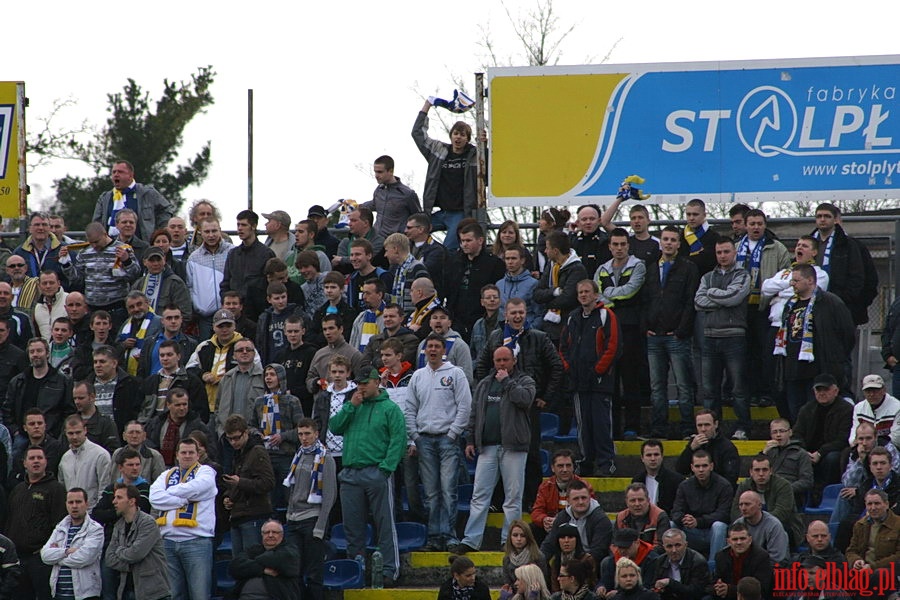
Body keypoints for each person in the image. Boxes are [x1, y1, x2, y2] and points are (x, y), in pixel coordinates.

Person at [475, 297, 563, 506]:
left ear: (526, 314)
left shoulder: (539, 337)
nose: (517, 316)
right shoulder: (496, 337)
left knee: (531, 454)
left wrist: (545, 397)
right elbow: (480, 366)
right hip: (499, 405)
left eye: (521, 313)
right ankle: (497, 500)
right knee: (497, 452)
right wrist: (487, 393)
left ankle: (532, 500)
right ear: (506, 315)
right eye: (513, 313)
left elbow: (557, 367)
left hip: (528, 405)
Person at [329, 367, 406, 587]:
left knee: (384, 524)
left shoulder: (390, 408)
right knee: (352, 528)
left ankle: (390, 571)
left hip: (376, 472)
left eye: (365, 383)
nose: (360, 387)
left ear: (376, 382)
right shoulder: (352, 405)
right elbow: (334, 427)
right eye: (358, 383)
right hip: (350, 472)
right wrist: (350, 407)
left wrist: (385, 469)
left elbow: (398, 440)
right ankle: (356, 570)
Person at [458, 346, 535, 553]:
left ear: (514, 361)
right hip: (487, 447)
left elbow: (526, 400)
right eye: (498, 360)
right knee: (479, 495)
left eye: (505, 360)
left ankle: (510, 540)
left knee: (513, 497)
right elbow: (474, 413)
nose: (501, 364)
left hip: (514, 447)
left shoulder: (524, 381)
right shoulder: (484, 384)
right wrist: (471, 440)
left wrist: (507, 382)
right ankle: (471, 540)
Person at [406, 333, 472, 551]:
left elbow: (465, 406)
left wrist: (453, 433)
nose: (432, 350)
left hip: (447, 440)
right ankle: (434, 536)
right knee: (431, 492)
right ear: (424, 350)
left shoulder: (456, 373)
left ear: (444, 350)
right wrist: (415, 435)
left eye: (436, 346)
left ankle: (450, 535)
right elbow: (410, 408)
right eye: (429, 346)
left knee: (448, 489)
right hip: (424, 440)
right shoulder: (417, 376)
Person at [773, 264, 855, 418]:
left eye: (796, 280)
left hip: (817, 371)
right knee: (795, 414)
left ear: (810, 280)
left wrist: (835, 358)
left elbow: (847, 334)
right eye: (792, 280)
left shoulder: (830, 302)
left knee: (816, 415)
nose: (792, 284)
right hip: (792, 370)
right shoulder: (791, 303)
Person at [560, 279, 621, 477]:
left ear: (596, 294)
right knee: (583, 426)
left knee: (602, 424)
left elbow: (612, 347)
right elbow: (563, 347)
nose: (584, 295)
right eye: (580, 292)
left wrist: (598, 370)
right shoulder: (572, 318)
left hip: (600, 382)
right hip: (578, 382)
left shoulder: (606, 315)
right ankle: (585, 462)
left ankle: (606, 464)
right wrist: (568, 368)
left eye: (587, 292)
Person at [643, 226, 699, 439]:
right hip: (653, 336)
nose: (668, 243)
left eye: (673, 240)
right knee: (657, 387)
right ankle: (659, 429)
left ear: (678, 243)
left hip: (677, 337)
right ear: (661, 242)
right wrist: (645, 327)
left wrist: (680, 331)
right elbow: (645, 300)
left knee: (683, 385)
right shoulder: (650, 268)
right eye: (665, 239)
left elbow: (689, 302)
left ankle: (687, 427)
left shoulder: (688, 268)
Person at [693, 238, 751, 440]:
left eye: (726, 251)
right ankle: (711, 431)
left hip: (734, 336)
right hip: (709, 337)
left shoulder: (743, 274)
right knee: (709, 390)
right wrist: (722, 298)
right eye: (719, 252)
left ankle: (743, 427)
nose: (723, 256)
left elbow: (735, 297)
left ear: (734, 252)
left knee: (738, 388)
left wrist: (712, 294)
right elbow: (698, 302)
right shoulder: (707, 276)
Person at [595, 227, 649, 440]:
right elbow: (597, 296)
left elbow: (631, 291)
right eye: (615, 244)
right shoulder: (602, 269)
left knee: (631, 380)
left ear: (628, 245)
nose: (619, 248)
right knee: (611, 383)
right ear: (609, 246)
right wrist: (611, 297)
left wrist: (609, 296)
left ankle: (632, 427)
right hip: (608, 330)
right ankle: (614, 428)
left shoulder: (639, 266)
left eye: (622, 244)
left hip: (631, 329)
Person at [734, 209, 791, 407]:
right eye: (752, 223)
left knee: (765, 353)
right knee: (744, 353)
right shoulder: (735, 247)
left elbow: (786, 275)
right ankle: (747, 392)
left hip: (765, 308)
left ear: (765, 225)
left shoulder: (777, 248)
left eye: (759, 223)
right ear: (745, 225)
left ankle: (766, 392)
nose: (756, 227)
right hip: (740, 310)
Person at [149, 437, 217, 600]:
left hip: (197, 542)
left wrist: (169, 492)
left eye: (191, 452)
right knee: (174, 595)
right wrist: (185, 499)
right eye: (183, 452)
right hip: (168, 542)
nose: (187, 456)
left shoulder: (206, 471)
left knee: (199, 594)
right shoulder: (166, 474)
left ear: (197, 455)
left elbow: (200, 486)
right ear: (177, 455)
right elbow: (154, 498)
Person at [411, 102, 483, 253]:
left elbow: (490, 163)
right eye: (456, 133)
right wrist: (427, 105)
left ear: (468, 139)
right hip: (439, 211)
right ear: (451, 136)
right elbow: (417, 133)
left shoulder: (475, 155)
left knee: (449, 247)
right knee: (412, 231)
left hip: (460, 212)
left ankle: (442, 268)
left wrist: (485, 144)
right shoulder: (438, 151)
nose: (458, 138)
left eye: (463, 135)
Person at [284, 418, 336, 600]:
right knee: (293, 570)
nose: (304, 438)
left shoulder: (325, 457)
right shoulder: (298, 455)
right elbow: (292, 487)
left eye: (307, 434)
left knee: (314, 573)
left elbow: (330, 495)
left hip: (312, 518)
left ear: (316, 434)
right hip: (294, 519)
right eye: (300, 434)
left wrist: (320, 527)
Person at [6, 446, 67, 600]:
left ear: (46, 462)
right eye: (32, 458)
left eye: (39, 458)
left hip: (40, 559)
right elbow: (10, 521)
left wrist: (44, 550)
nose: (36, 461)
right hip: (18, 559)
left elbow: (60, 524)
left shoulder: (56, 489)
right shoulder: (18, 490)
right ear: (24, 463)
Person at [59, 221, 142, 327]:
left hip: (116, 307)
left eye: (96, 242)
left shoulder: (123, 249)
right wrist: (66, 265)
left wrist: (127, 260)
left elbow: (135, 275)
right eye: (91, 242)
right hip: (92, 307)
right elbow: (77, 280)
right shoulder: (84, 252)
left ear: (105, 234)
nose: (94, 246)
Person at [3, 336, 75, 445]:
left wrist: (58, 433)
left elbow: (69, 411)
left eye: (39, 351)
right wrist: (15, 431)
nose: (35, 354)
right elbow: (7, 410)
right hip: (22, 437)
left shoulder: (63, 381)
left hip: (51, 437)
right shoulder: (18, 381)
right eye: (32, 351)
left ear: (47, 353)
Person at [105, 483, 170, 600]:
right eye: (114, 497)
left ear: (131, 501)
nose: (114, 501)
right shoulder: (118, 525)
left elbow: (136, 554)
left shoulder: (148, 523)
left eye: (119, 498)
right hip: (126, 590)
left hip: (152, 593)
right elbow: (109, 558)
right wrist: (131, 563)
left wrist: (119, 551)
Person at [252, 363, 304, 510]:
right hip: (265, 456)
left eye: (272, 374)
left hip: (286, 455)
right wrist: (258, 434)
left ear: (280, 377)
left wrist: (283, 436)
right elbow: (251, 426)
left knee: (289, 495)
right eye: (266, 375)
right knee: (268, 499)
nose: (268, 378)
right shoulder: (259, 402)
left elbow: (301, 428)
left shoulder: (292, 401)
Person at [221, 414, 275, 556]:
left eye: (237, 438)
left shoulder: (257, 451)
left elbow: (268, 483)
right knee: (239, 564)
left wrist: (240, 482)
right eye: (230, 439)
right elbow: (234, 481)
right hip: (237, 515)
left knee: (251, 563)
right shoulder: (238, 454)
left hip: (254, 516)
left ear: (246, 433)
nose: (233, 442)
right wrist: (227, 497)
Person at [39, 488, 104, 600]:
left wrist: (57, 558)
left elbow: (84, 558)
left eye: (78, 502)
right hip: (58, 594)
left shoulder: (95, 529)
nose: (74, 506)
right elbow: (45, 555)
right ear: (66, 505)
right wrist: (67, 551)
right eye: (70, 502)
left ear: (86, 504)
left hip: (85, 595)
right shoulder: (60, 528)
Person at [810, 202, 869, 325]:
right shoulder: (808, 242)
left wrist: (844, 299)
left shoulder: (848, 244)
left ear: (835, 220)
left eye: (827, 216)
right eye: (819, 216)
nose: (822, 219)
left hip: (839, 304)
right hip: (811, 303)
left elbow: (857, 276)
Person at [446, 222, 505, 342]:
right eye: (462, 241)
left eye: (468, 240)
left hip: (482, 320)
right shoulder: (454, 262)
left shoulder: (494, 264)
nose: (464, 244)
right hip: (457, 320)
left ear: (480, 240)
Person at [729, 454, 802, 549]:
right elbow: (735, 512)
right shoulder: (744, 485)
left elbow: (782, 514)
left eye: (765, 470)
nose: (761, 474)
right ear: (751, 472)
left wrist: (758, 523)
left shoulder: (784, 485)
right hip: (750, 525)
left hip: (783, 526)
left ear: (771, 471)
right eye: (757, 470)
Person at [792, 373, 852, 486]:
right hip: (808, 452)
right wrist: (804, 452)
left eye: (826, 389)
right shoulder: (806, 409)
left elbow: (843, 439)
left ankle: (825, 491)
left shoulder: (846, 410)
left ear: (836, 391)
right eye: (818, 389)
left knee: (832, 458)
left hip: (831, 451)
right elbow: (797, 434)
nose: (822, 393)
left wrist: (820, 453)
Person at [671, 450, 732, 561]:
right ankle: (676, 564)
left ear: (711, 466)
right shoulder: (684, 486)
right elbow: (676, 511)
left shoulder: (724, 486)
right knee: (671, 525)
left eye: (704, 466)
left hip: (713, 533)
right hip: (692, 532)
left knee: (719, 526)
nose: (701, 470)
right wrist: (684, 519)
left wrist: (698, 521)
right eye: (697, 466)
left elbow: (723, 514)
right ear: (692, 467)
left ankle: (713, 567)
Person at [93, 160, 173, 242]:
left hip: (143, 247)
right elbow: (96, 223)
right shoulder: (105, 198)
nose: (116, 175)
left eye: (120, 172)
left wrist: (159, 232)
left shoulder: (147, 193)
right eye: (114, 172)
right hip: (111, 248)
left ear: (130, 176)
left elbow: (166, 209)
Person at [540, 480, 613, 567]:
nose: (581, 502)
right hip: (566, 560)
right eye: (576, 499)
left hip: (591, 563)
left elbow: (598, 551)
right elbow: (549, 544)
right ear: (568, 500)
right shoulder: (562, 517)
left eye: (584, 498)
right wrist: (538, 561)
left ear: (590, 498)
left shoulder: (601, 519)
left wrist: (576, 565)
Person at [534, 231, 588, 345]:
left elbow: (568, 298)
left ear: (555, 251)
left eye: (547, 248)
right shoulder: (551, 265)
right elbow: (537, 294)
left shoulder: (577, 269)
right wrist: (555, 292)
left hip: (568, 325)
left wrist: (546, 303)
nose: (545, 251)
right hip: (549, 326)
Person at [531, 450, 595, 545]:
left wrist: (560, 521)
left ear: (573, 467)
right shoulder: (545, 487)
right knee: (532, 528)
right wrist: (544, 519)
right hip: (551, 527)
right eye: (560, 466)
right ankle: (538, 558)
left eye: (568, 465)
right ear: (553, 468)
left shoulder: (584, 486)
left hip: (577, 526)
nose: (565, 470)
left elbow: (593, 511)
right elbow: (536, 511)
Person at [186, 217, 234, 339]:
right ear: (200, 232)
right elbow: (190, 286)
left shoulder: (232, 251)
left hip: (230, 312)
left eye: (214, 231)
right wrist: (198, 306)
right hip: (205, 317)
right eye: (207, 232)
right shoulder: (194, 258)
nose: (211, 235)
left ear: (220, 230)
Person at [228, 519, 301, 600]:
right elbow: (234, 567)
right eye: (266, 532)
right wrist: (262, 569)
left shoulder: (290, 550)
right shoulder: (254, 549)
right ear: (262, 534)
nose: (270, 535)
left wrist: (251, 564)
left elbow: (276, 560)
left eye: (275, 532)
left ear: (282, 535)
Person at [145, 387, 212, 467]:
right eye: (178, 405)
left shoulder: (199, 427)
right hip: (159, 469)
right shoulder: (155, 423)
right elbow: (147, 442)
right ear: (168, 405)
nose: (182, 408)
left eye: (184, 404)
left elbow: (211, 450)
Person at [845, 489, 900, 586]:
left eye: (877, 503)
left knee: (878, 575)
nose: (873, 508)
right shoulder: (860, 525)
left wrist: (872, 567)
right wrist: (856, 561)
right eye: (869, 504)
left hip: (887, 571)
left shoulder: (898, 524)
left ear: (886, 504)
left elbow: (898, 556)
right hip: (863, 570)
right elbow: (851, 550)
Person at [58, 415, 113, 509]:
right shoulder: (65, 458)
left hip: (93, 513)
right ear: (65, 433)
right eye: (71, 433)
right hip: (71, 514)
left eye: (78, 432)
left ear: (85, 430)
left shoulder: (100, 455)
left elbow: (104, 488)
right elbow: (63, 489)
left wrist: (98, 512)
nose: (75, 437)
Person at [220, 210, 276, 302]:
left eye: (244, 225)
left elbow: (272, 284)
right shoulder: (233, 254)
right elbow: (226, 283)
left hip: (258, 308)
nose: (240, 228)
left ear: (253, 226)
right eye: (238, 225)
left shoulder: (266, 254)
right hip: (236, 308)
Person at [213, 338, 265, 439]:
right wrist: (221, 431)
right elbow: (217, 408)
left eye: (248, 350)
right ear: (234, 355)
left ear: (254, 354)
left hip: (254, 435)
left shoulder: (264, 377)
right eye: (240, 350)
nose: (244, 352)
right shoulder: (226, 378)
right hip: (228, 437)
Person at [361, 155, 423, 238]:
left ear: (390, 171)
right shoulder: (379, 190)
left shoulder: (407, 194)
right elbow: (375, 204)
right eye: (375, 171)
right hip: (376, 239)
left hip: (395, 243)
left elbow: (419, 218)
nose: (376, 175)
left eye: (380, 172)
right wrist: (356, 206)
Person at [305, 314, 368, 394]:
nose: (327, 332)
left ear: (341, 329)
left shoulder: (354, 354)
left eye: (331, 328)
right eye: (325, 329)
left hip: (346, 403)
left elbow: (362, 381)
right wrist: (316, 382)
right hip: (322, 403)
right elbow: (309, 379)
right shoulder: (319, 354)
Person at [676, 410, 740, 487]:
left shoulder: (727, 447)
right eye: (699, 425)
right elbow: (681, 470)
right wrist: (690, 449)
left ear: (716, 424)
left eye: (707, 425)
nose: (703, 429)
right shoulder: (694, 444)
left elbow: (731, 477)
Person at [413, 306, 474, 386]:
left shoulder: (460, 345)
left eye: (442, 318)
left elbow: (467, 378)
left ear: (449, 323)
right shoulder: (423, 344)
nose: (438, 321)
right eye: (435, 318)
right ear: (430, 323)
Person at [708, 523, 772, 599]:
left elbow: (761, 589)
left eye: (743, 538)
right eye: (735, 539)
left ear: (750, 540)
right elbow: (713, 582)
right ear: (728, 541)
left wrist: (729, 590)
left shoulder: (762, 557)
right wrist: (718, 588)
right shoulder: (721, 556)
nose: (739, 542)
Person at [90, 344, 142, 436]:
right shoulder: (88, 385)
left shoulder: (131, 384)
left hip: (122, 437)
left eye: (102, 361)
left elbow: (137, 413)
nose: (98, 365)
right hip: (94, 437)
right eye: (95, 362)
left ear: (114, 363)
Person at [138, 306, 199, 379]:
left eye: (176, 318)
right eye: (169, 318)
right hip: (151, 387)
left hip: (178, 387)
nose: (173, 321)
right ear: (162, 321)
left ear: (181, 320)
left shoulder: (191, 344)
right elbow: (141, 370)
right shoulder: (149, 342)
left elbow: (192, 371)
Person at [597, 528, 660, 597]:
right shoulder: (614, 559)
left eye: (626, 547)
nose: (622, 551)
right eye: (620, 547)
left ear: (637, 543)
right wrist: (601, 586)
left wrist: (619, 594)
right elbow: (606, 579)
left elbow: (647, 586)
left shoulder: (652, 559)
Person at [762, 418, 814, 502]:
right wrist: (764, 453)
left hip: (790, 494)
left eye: (782, 431)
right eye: (774, 432)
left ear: (790, 432)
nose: (778, 435)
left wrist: (786, 489)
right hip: (767, 492)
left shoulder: (801, 453)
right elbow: (755, 473)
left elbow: (807, 481)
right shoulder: (768, 453)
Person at [9, 409, 64, 487]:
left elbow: (48, 473)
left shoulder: (56, 447)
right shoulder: (21, 449)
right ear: (25, 428)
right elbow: (13, 478)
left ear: (45, 426)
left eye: (40, 423)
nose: (36, 426)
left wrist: (22, 476)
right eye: (32, 424)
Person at [650, 528, 710, 600]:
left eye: (678, 545)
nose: (674, 550)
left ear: (685, 545)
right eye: (669, 546)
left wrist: (670, 582)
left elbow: (695, 593)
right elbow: (653, 585)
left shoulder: (698, 562)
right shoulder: (660, 561)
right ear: (664, 547)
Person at [731, 491, 789, 563]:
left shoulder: (773, 525)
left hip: (768, 567)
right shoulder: (738, 524)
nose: (743, 508)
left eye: (747, 504)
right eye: (741, 505)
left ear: (759, 505)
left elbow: (777, 558)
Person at [276, 314, 317, 414]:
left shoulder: (312, 353)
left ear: (303, 331)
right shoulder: (280, 355)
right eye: (290, 331)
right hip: (283, 406)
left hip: (305, 405)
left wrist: (292, 392)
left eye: (296, 331)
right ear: (285, 332)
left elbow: (313, 381)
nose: (293, 335)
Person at [115, 290, 163, 377]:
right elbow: (115, 348)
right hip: (127, 374)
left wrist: (145, 355)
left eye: (139, 304)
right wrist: (123, 345)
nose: (136, 309)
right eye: (131, 307)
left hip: (150, 372)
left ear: (147, 303)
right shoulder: (126, 324)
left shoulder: (159, 322)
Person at [632, 440, 684, 515]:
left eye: (656, 454)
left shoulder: (676, 480)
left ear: (662, 456)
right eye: (649, 455)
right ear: (642, 458)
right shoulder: (637, 480)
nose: (653, 459)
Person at [616, 483, 671, 552]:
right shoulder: (621, 517)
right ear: (626, 502)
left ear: (648, 500)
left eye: (641, 500)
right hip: (625, 554)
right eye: (633, 500)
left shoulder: (660, 516)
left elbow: (660, 547)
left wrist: (637, 553)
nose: (637, 504)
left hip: (651, 557)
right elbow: (614, 544)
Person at [384, 232, 429, 315]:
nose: (385, 255)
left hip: (412, 320)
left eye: (386, 250)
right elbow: (398, 299)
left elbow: (425, 297)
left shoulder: (417, 267)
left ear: (395, 249)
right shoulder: (398, 270)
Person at [362, 303, 419, 369]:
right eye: (385, 316)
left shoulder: (411, 340)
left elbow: (400, 362)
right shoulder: (374, 339)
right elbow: (364, 363)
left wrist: (374, 362)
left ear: (401, 318)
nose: (388, 319)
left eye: (392, 316)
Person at [850, 373, 900, 446]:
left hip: (889, 447)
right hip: (864, 445)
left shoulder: (897, 407)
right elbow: (854, 433)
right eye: (868, 391)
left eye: (875, 390)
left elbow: (897, 438)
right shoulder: (859, 408)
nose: (871, 394)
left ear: (884, 390)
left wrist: (873, 444)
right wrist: (855, 444)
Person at [498, 245, 540, 327]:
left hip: (525, 332)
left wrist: (530, 330)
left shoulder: (533, 284)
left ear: (522, 260)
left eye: (513, 258)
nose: (510, 262)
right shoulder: (499, 284)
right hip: (503, 333)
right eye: (507, 259)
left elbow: (539, 313)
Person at [406, 213, 447, 297]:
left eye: (409, 228)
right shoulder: (405, 247)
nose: (405, 231)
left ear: (421, 229)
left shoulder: (437, 250)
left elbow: (424, 271)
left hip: (427, 297)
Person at [72, 379, 120, 450]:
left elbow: (113, 450)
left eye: (81, 398)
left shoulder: (106, 423)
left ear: (92, 397)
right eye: (75, 398)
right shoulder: (70, 422)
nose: (77, 402)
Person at [501, 520, 547, 588]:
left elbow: (543, 583)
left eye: (522, 535)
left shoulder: (538, 557)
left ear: (528, 537)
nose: (519, 539)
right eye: (515, 535)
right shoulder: (507, 559)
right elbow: (507, 584)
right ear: (510, 538)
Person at [570, 204, 610, 278]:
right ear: (578, 222)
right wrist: (571, 234)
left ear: (599, 221)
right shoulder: (572, 241)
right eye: (584, 219)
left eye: (592, 219)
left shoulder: (607, 241)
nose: (588, 222)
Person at [349, 278, 386, 353]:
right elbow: (352, 344)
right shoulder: (360, 317)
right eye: (363, 293)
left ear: (379, 295)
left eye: (368, 293)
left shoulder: (388, 317)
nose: (364, 297)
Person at [469, 284, 502, 363]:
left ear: (500, 301)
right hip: (480, 369)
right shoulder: (477, 325)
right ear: (482, 302)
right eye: (488, 297)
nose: (492, 300)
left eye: (495, 297)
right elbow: (472, 353)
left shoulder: (506, 323)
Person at [33, 269, 69, 341]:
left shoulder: (69, 300)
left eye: (51, 283)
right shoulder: (37, 307)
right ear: (39, 285)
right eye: (44, 283)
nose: (48, 286)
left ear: (58, 283)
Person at [0, 281, 36, 349]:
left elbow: (30, 346)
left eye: (6, 293)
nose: (2, 296)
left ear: (12, 297)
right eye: (0, 293)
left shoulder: (23, 319)